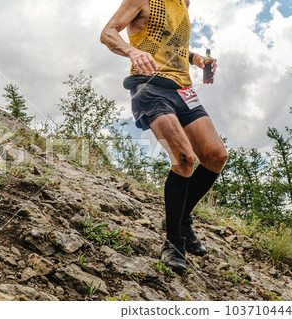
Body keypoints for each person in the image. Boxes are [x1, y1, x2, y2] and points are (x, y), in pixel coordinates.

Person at [101, 0, 228, 272]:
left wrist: (196, 59)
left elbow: (173, 46)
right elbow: (108, 32)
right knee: (184, 158)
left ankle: (181, 218)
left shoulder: (183, 4)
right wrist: (132, 52)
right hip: (149, 85)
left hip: (184, 90)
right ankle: (174, 242)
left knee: (216, 156)